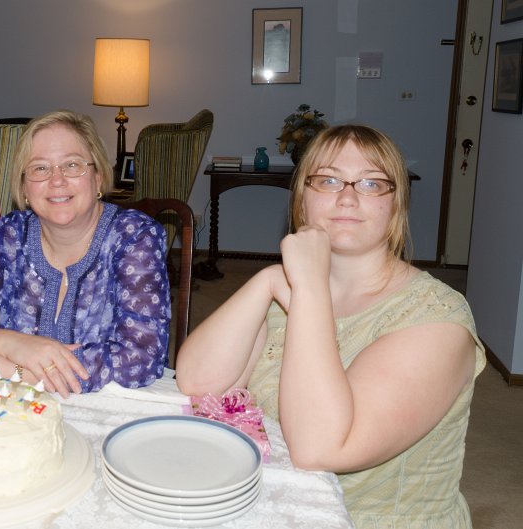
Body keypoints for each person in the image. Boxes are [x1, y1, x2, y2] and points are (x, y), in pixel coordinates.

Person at [176, 124, 485, 528]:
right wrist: (269, 280)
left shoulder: (437, 319)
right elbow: (199, 382)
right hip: (276, 508)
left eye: (372, 184)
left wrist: (307, 291)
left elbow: (320, 448)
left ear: (396, 205)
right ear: (302, 200)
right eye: (328, 180)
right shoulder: (287, 286)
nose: (348, 197)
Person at [0, 110, 171, 396]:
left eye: (72, 165)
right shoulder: (11, 235)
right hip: (20, 420)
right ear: (23, 187)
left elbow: (141, 358)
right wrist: (14, 345)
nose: (57, 180)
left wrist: (15, 373)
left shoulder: (134, 235)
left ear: (98, 177)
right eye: (40, 168)